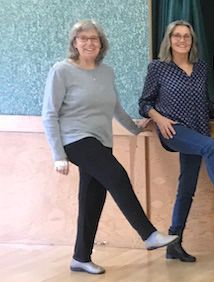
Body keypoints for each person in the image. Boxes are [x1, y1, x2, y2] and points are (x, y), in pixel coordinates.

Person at [42, 19, 179, 275]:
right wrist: (57, 154)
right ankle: (148, 234)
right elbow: (49, 114)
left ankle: (80, 257)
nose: (89, 43)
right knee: (117, 176)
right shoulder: (61, 70)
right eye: (83, 38)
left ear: (101, 43)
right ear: (74, 43)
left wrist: (136, 128)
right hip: (75, 139)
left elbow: (115, 108)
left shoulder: (106, 72)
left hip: (102, 141)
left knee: (92, 199)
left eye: (94, 38)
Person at [138, 20, 214, 263]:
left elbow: (205, 103)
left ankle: (174, 243)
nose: (182, 40)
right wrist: (158, 119)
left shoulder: (200, 68)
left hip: (197, 131)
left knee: (186, 189)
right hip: (174, 130)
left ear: (192, 41)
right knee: (210, 147)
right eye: (177, 36)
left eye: (186, 37)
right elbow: (144, 103)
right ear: (169, 40)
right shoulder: (158, 68)